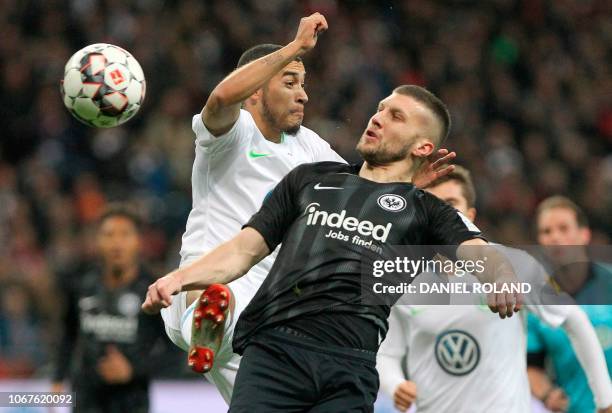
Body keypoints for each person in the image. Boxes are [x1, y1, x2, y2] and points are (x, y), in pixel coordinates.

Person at [143, 84, 523, 412]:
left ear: (423, 145)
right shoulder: (310, 179)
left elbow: (476, 248)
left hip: (350, 367)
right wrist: (180, 277)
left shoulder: (424, 210)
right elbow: (245, 249)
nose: (377, 118)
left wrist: (500, 275)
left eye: (396, 117)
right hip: (275, 353)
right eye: (379, 109)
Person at [159, 12, 455, 404]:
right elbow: (220, 99)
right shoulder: (231, 136)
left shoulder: (310, 148)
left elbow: (359, 188)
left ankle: (213, 328)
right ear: (255, 91)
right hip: (208, 275)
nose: (303, 94)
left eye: (304, 83)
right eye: (290, 82)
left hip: (271, 307)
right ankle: (208, 319)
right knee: (219, 299)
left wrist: (406, 182)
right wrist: (295, 47)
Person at [376, 167, 612, 413]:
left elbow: (574, 319)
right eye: (432, 205)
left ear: (470, 215)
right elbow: (387, 353)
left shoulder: (514, 264)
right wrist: (395, 385)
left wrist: (605, 400)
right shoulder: (403, 278)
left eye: (450, 204)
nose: (440, 214)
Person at [52, 204, 169, 413]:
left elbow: (172, 350)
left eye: (125, 235)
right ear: (97, 241)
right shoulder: (81, 284)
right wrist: (58, 378)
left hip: (132, 401)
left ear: (138, 242)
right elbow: (68, 335)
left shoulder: (154, 289)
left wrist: (133, 369)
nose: (117, 243)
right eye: (109, 235)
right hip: (86, 398)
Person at [527, 196, 612, 413]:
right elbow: (532, 366)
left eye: (563, 228)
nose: (555, 237)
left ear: (584, 234)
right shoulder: (536, 300)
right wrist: (547, 394)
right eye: (546, 232)